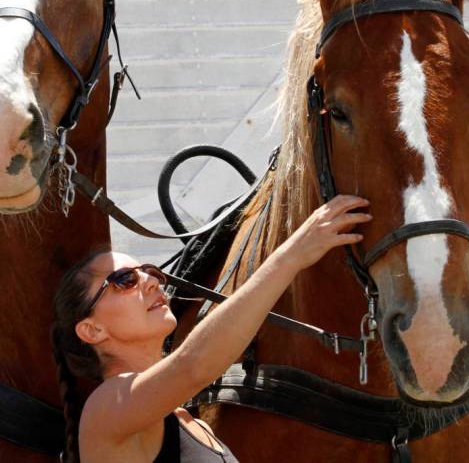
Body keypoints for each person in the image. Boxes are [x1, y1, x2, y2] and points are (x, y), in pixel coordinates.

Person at [51, 194, 371, 463]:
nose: (150, 280)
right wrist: (292, 255)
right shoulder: (106, 408)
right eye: (124, 280)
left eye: (149, 271)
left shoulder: (190, 422)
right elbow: (193, 366)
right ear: (92, 330)